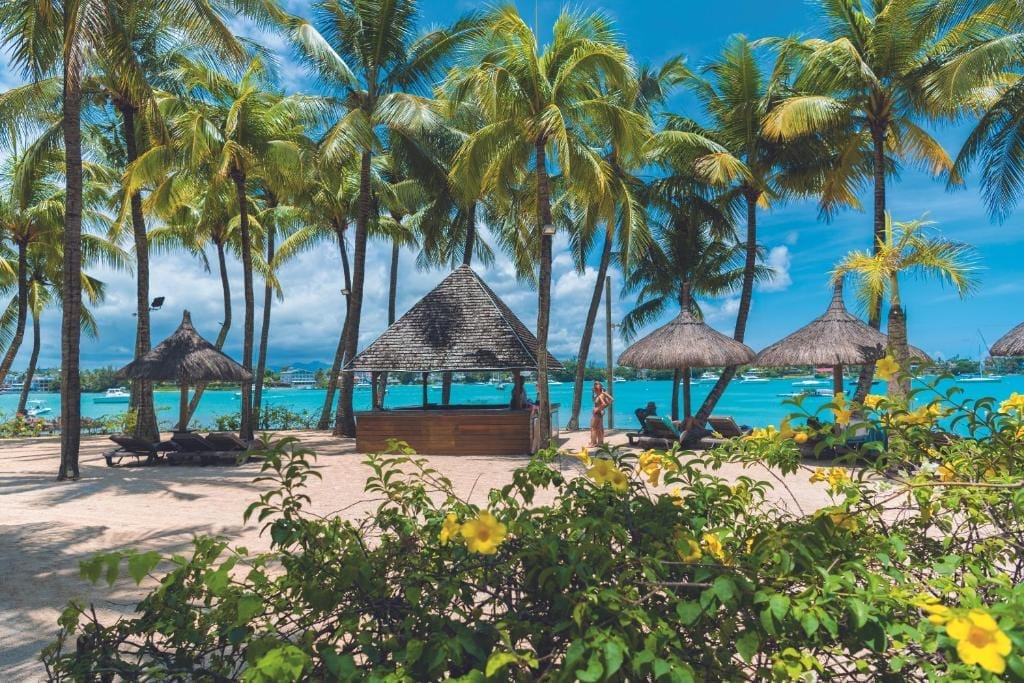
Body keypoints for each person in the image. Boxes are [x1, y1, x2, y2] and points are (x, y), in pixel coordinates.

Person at [589, 381, 613, 446]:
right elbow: (594, 400)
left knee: (593, 427)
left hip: (597, 413)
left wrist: (599, 408)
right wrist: (593, 392)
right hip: (599, 412)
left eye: (597, 384)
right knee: (599, 428)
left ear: (600, 386)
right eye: (594, 384)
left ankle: (593, 443)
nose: (595, 385)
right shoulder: (598, 394)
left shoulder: (602, 394)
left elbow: (611, 400)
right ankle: (600, 442)